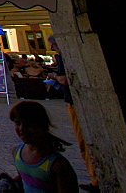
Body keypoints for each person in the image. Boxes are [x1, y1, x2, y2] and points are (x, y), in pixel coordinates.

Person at [48, 35, 97, 191]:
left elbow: (64, 80)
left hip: (74, 100)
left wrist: (54, 76)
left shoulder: (64, 55)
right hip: (81, 99)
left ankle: (95, 178)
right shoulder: (71, 54)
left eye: (54, 46)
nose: (54, 49)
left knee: (83, 140)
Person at [0, 100, 77, 192]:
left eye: (28, 124)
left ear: (42, 126)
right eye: (18, 123)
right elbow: (25, 179)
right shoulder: (17, 153)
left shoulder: (58, 165)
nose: (22, 129)